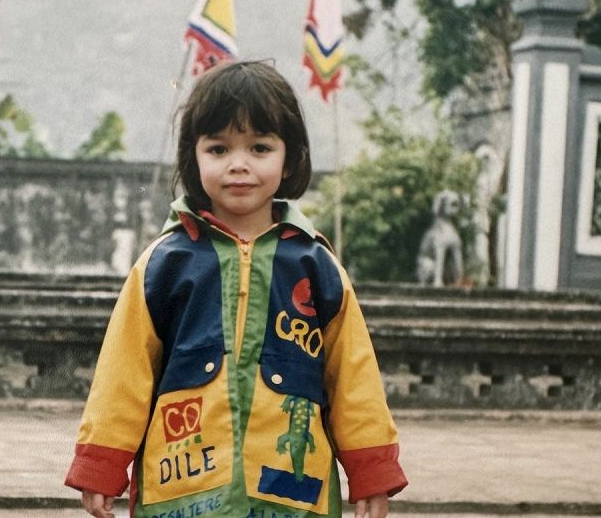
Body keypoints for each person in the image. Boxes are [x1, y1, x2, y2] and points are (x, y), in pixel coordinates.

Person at [65, 61, 407, 518]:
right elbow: (123, 371)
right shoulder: (164, 263)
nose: (238, 164)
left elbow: (353, 376)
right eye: (219, 148)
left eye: (260, 147)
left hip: (289, 496)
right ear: (194, 157)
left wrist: (372, 470)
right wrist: (100, 463)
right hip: (185, 490)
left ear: (290, 158)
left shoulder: (316, 265)